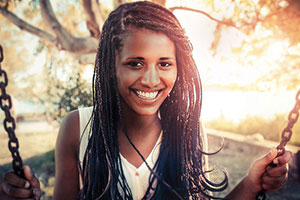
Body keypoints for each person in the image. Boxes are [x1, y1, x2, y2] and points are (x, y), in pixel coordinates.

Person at [0, 1, 292, 200]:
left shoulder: (187, 128)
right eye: (135, 63)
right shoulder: (78, 127)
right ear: (110, 67)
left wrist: (252, 183)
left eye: (164, 63)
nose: (151, 80)